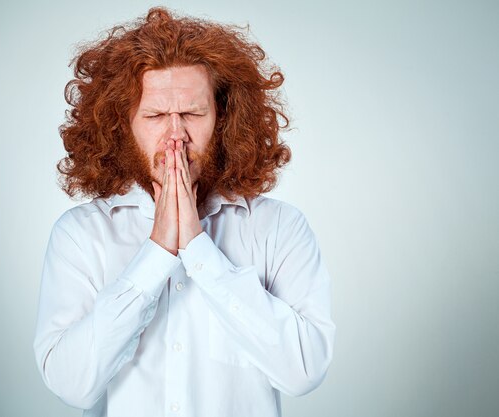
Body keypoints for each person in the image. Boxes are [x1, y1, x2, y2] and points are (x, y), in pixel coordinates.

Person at [33, 6, 335, 417]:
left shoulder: (279, 227)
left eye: (192, 114)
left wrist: (200, 251)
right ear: (123, 124)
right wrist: (157, 252)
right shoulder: (81, 235)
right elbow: (72, 386)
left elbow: (303, 371)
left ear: (224, 117)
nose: (176, 136)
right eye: (156, 116)